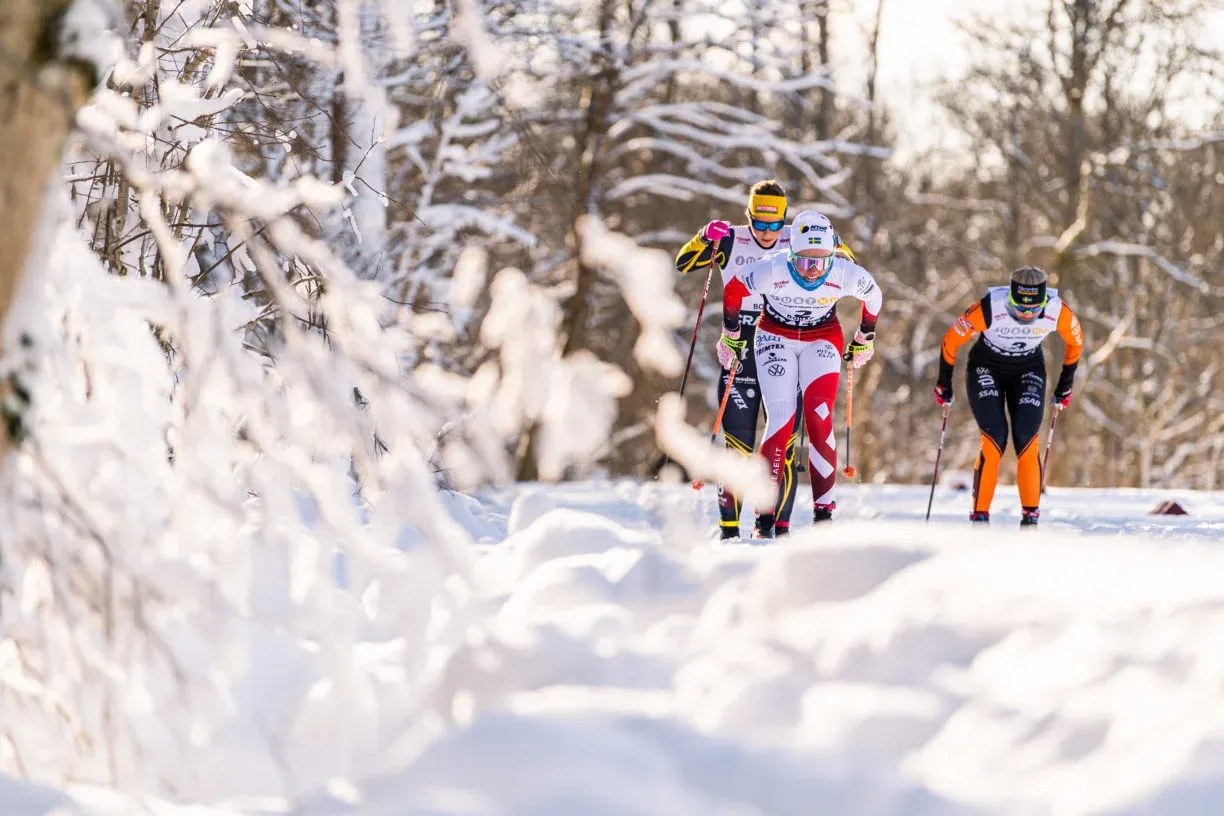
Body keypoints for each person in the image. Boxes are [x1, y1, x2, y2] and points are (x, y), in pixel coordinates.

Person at [674, 181, 854, 539]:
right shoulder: (732, 238)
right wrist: (703, 237)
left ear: (785, 219)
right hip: (740, 340)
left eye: (775, 225)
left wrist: (829, 239)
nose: (768, 233)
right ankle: (728, 531)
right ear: (749, 216)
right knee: (738, 443)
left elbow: (847, 263)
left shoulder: (800, 236)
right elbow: (683, 263)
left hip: (786, 337)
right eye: (760, 224)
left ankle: (772, 526)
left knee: (783, 442)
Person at [716, 209, 880, 538]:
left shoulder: (845, 273)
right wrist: (730, 334)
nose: (812, 271)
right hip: (775, 336)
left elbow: (874, 296)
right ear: (790, 255)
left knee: (820, 420)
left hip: (821, 337)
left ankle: (823, 516)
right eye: (804, 262)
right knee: (781, 418)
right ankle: (765, 518)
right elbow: (733, 290)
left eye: (821, 263)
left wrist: (864, 339)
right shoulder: (772, 268)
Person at [934, 266, 1084, 527]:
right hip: (986, 366)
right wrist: (944, 383)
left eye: (1033, 309)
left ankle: (1030, 516)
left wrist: (1065, 386)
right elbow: (951, 340)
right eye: (1019, 307)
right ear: (1010, 299)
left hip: (1028, 368)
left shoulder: (1058, 311)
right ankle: (980, 515)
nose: (1026, 314)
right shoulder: (990, 308)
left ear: (1044, 301)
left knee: (1027, 437)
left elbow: (1076, 342)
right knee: (995, 439)